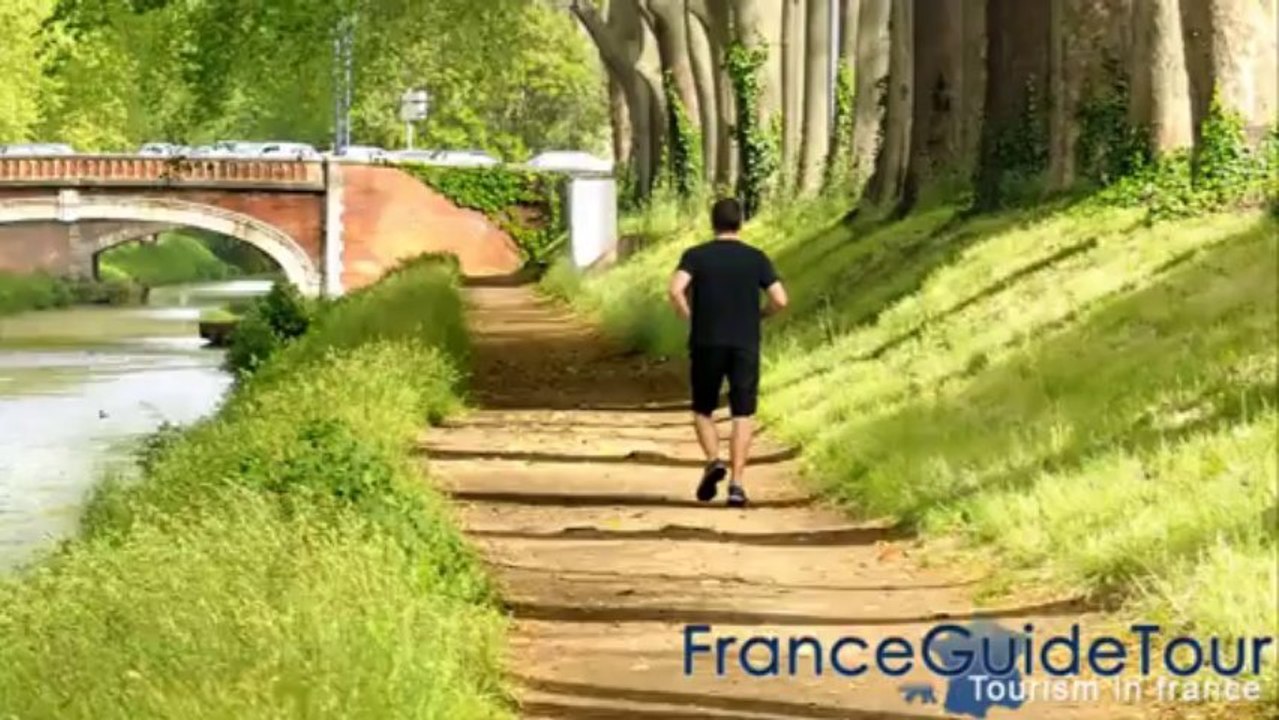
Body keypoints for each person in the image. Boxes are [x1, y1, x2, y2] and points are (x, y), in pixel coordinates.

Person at [667, 197, 788, 508]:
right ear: (740, 223)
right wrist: (763, 314)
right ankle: (736, 484)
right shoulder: (756, 258)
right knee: (743, 414)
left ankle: (713, 460)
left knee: (702, 409)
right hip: (745, 343)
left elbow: (675, 288)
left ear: (713, 223)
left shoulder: (696, 256)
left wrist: (687, 315)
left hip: (706, 342)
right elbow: (781, 299)